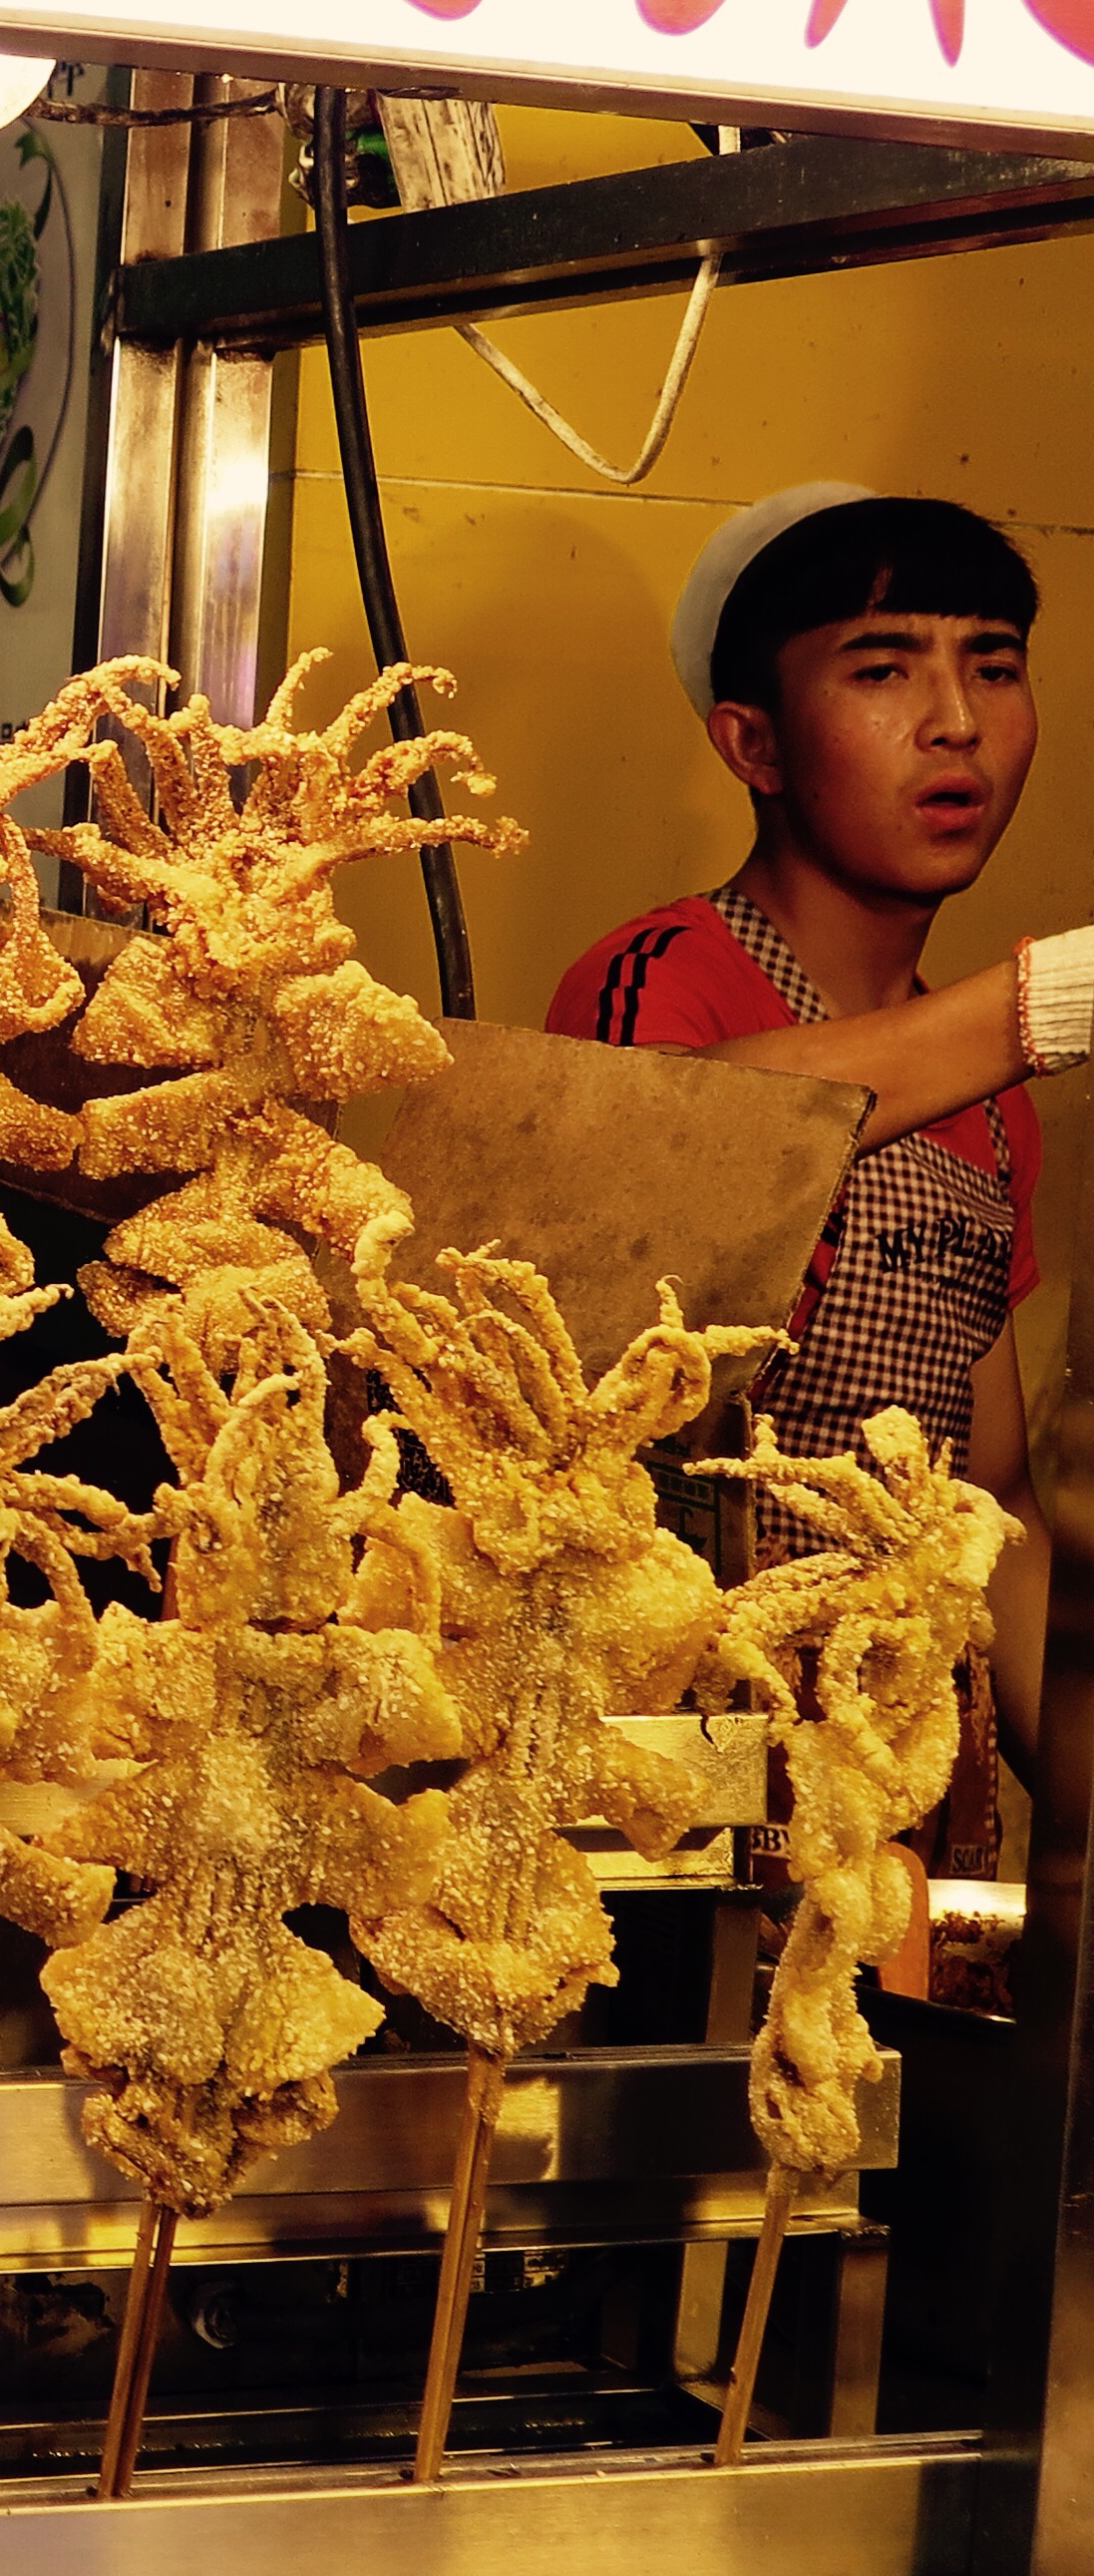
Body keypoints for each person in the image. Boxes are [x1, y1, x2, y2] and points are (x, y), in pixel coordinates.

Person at [546, 485, 1083, 1793]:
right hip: (671, 1757)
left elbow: (995, 1501)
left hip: (883, 1764)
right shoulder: (659, 978)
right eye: (883, 669)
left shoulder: (996, 1109)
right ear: (756, 743)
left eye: (993, 666)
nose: (956, 721)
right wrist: (1044, 1003)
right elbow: (667, 1134)